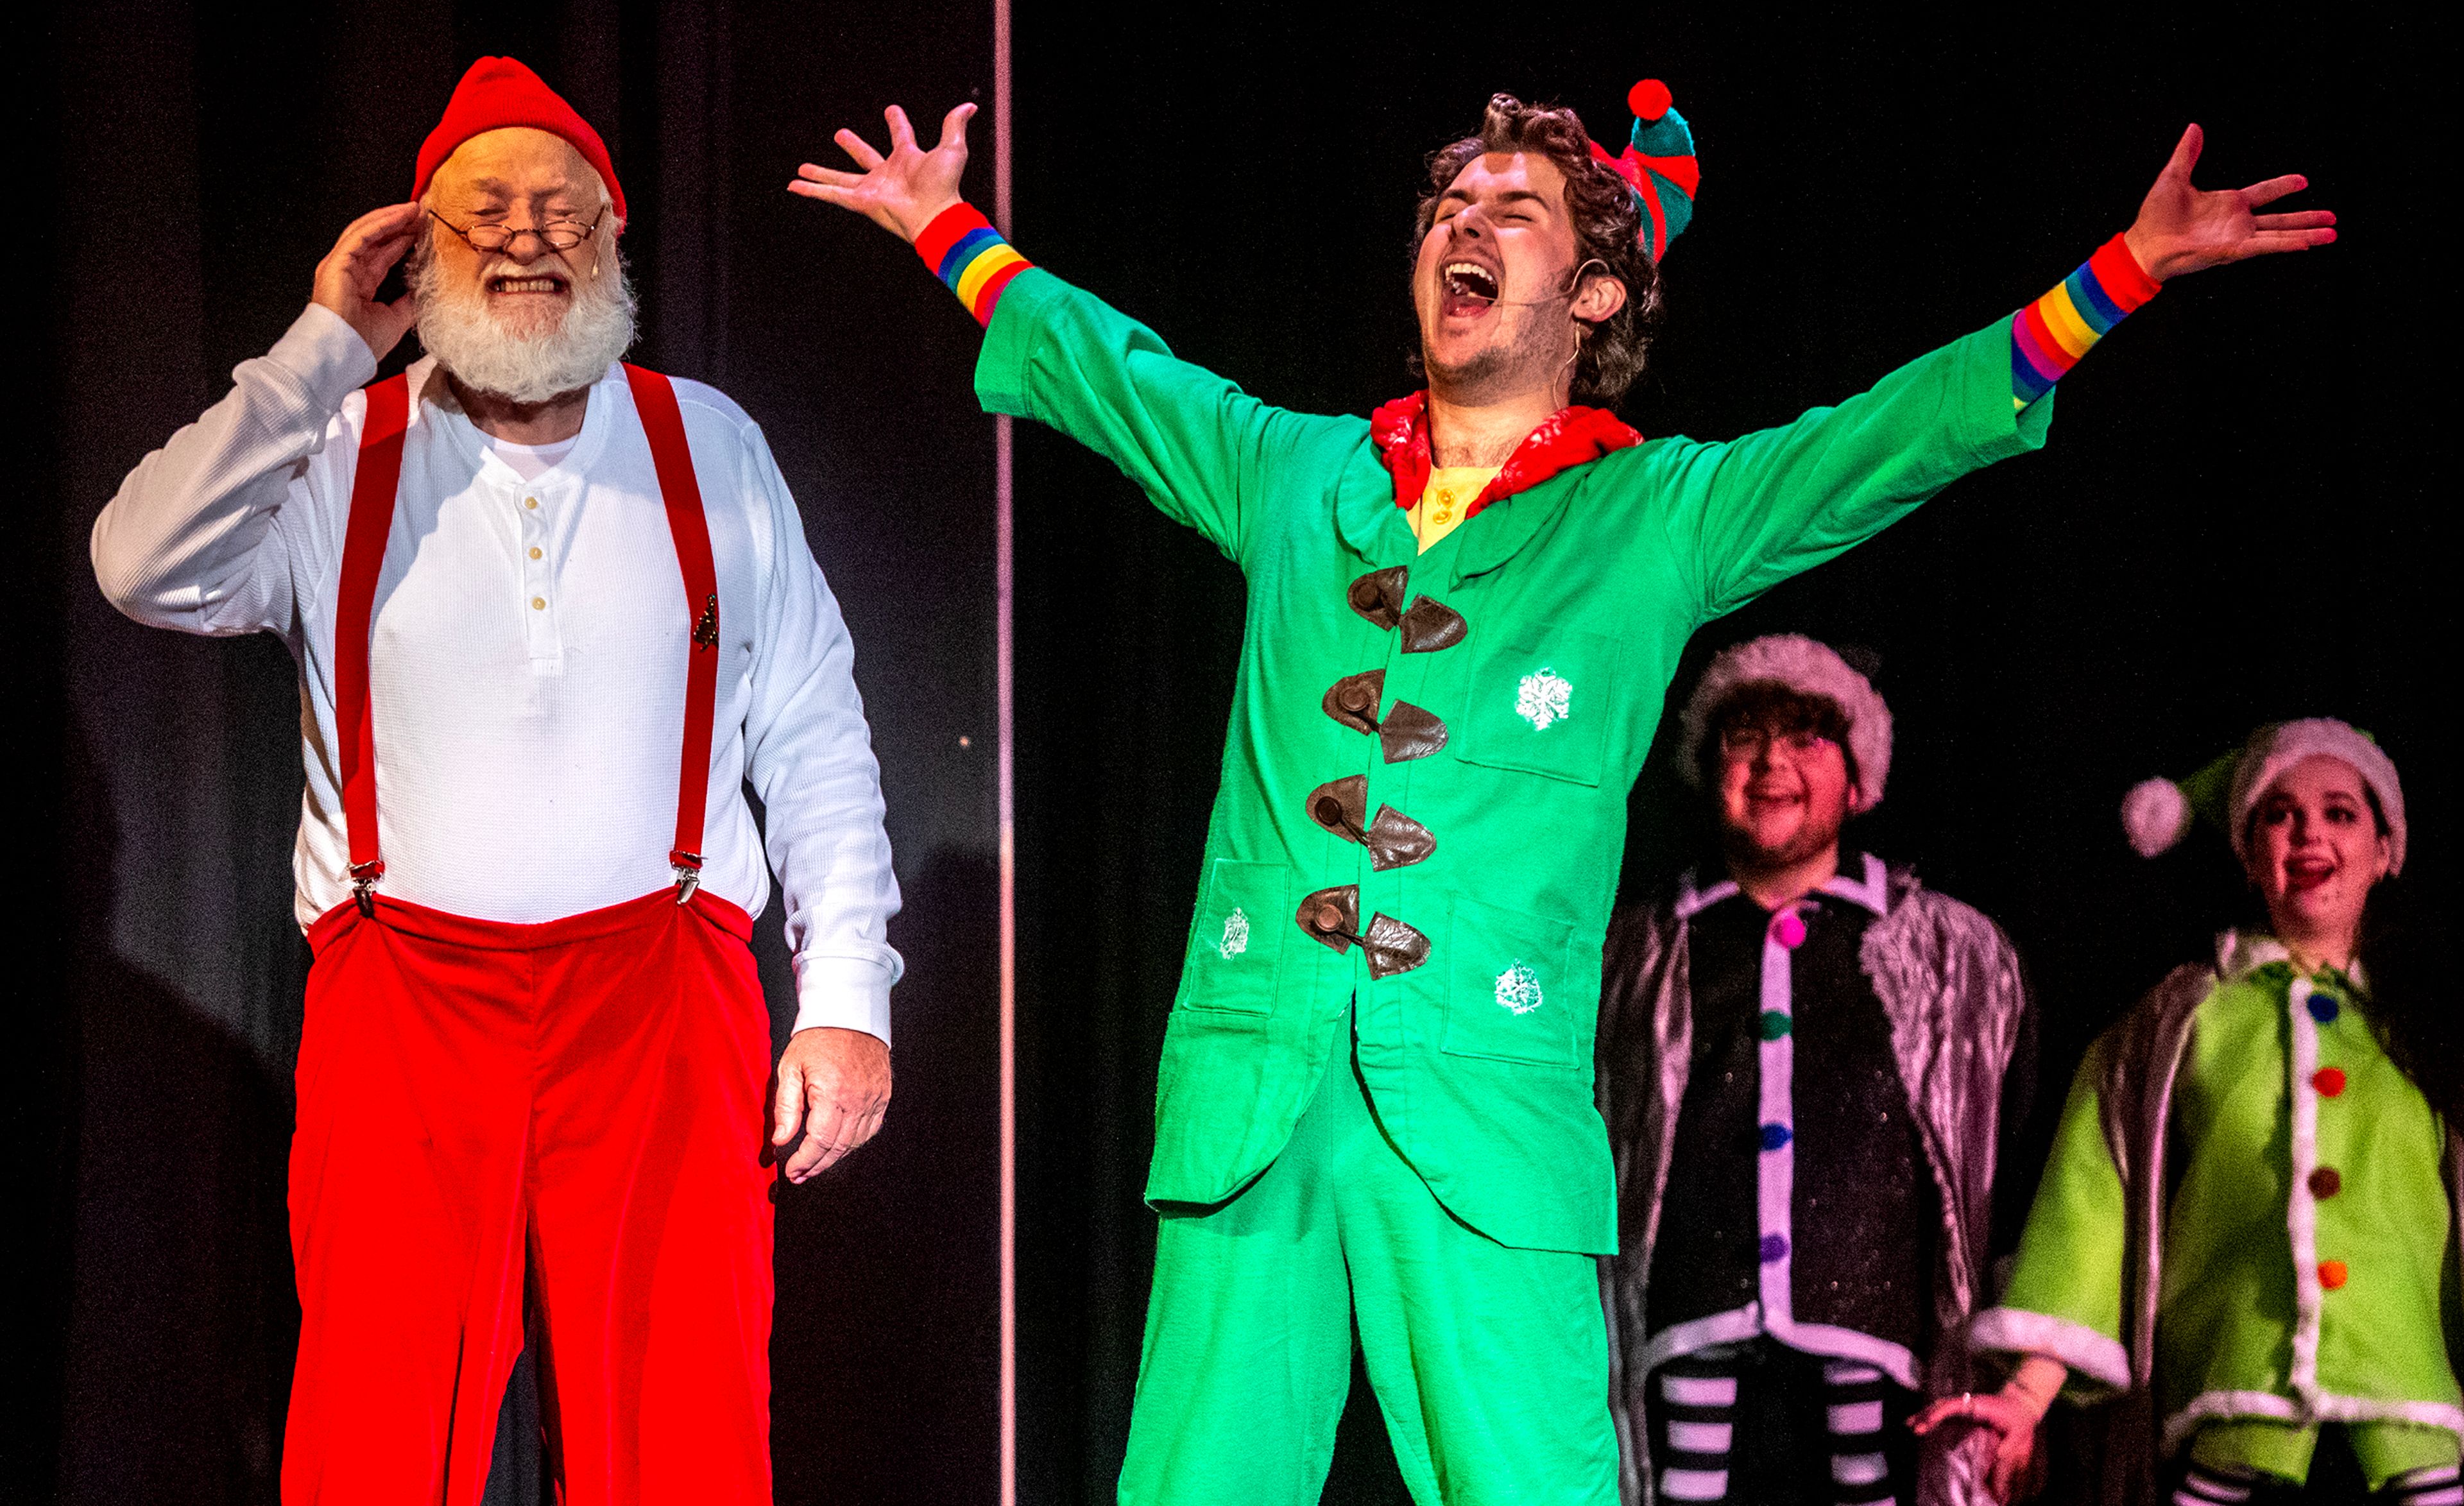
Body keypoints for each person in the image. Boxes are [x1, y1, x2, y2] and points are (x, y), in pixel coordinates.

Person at [794, 78, 2331, 1506]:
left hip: (1483, 1106)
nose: (1462, 222)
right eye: (1446, 206)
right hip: (1250, 1090)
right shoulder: (1292, 471)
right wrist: (947, 226)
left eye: (1508, 207)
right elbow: (1114, 374)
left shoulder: (1651, 515)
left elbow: (1886, 436)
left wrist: (2115, 272)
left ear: (1589, 292)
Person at [91, 56, 903, 1503]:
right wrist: (325, 340)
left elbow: (814, 728)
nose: (529, 235)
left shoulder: (710, 444)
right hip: (401, 1005)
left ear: (613, 242)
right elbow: (140, 565)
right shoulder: (334, 445)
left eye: (564, 209)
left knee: (686, 1442)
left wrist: (845, 997)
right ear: (418, 249)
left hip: (662, 1001)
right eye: (485, 211)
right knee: (374, 1440)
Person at [1921, 721, 2462, 1505]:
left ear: (2387, 849)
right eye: (2281, 813)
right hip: (2233, 1400)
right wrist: (2030, 1393)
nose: (2310, 830)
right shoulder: (2181, 1020)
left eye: (2341, 811)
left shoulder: (2427, 1026)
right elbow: (2096, 1199)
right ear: (2248, 855)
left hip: (2412, 1411)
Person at [1599, 635, 2033, 1506]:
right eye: (1744, 735)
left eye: (1806, 737)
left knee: (1868, 1477)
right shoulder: (1645, 948)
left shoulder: (1935, 945)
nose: (1771, 761)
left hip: (1868, 1296)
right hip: (1694, 1291)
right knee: (1681, 1484)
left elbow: (1993, 1132)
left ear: (1859, 776)